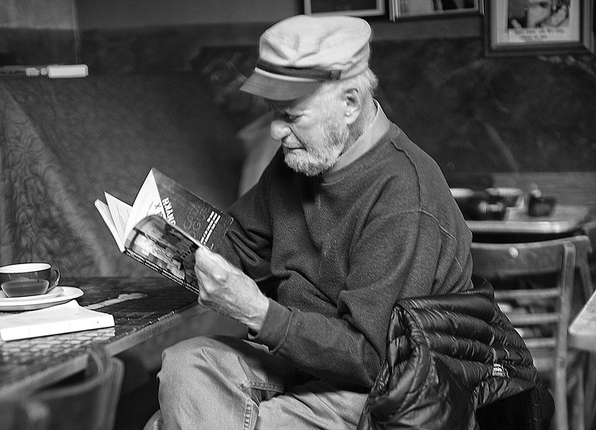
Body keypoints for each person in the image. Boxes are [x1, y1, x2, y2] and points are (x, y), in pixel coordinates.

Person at [157, 14, 473, 430]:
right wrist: (174, 241)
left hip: (387, 387)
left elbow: (371, 358)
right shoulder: (302, 158)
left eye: (291, 115)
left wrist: (257, 312)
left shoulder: (404, 196)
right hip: (303, 359)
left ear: (350, 103)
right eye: (273, 112)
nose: (275, 131)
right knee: (185, 363)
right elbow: (242, 241)